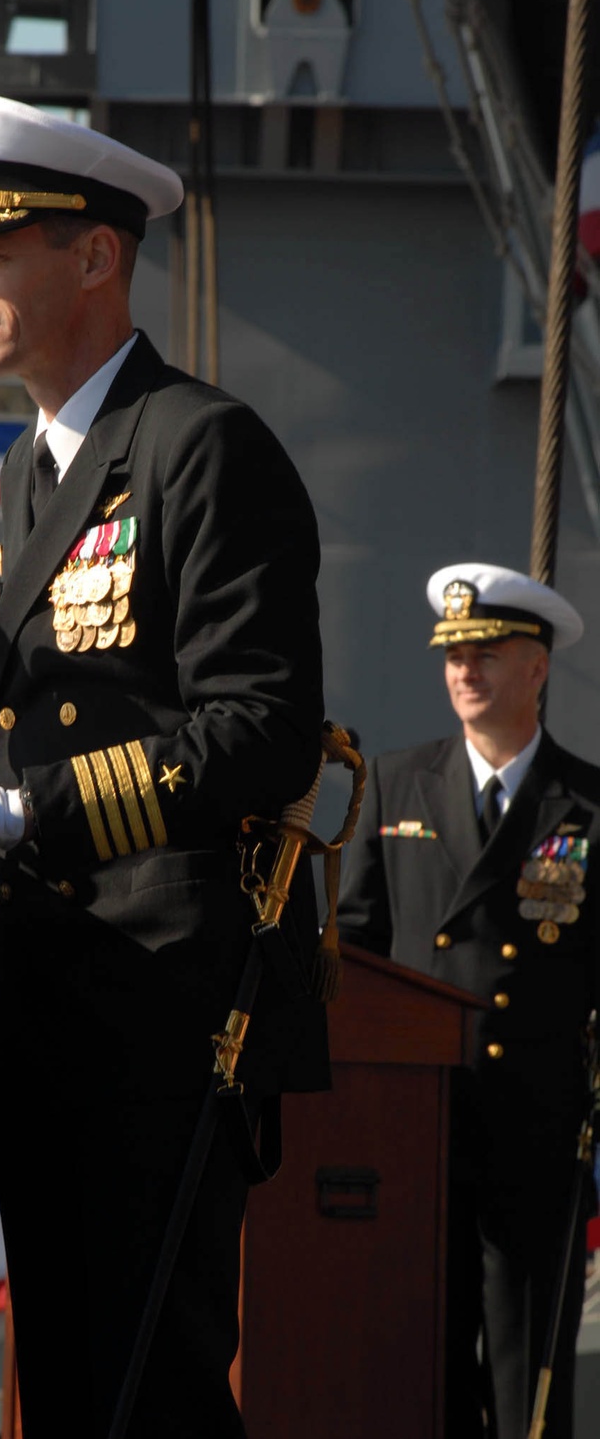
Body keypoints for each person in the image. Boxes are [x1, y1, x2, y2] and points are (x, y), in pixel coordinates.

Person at [0, 91, 329, 1437]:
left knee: (149, 1380)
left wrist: (29, 813)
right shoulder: (44, 463)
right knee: (77, 1380)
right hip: (55, 994)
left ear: (96, 255)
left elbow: (258, 727)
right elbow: (63, 704)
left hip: (170, 1000)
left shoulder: (204, 448)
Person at [338, 562, 600, 1439]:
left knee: (529, 1381)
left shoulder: (591, 807)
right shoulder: (398, 783)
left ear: (538, 667)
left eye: (489, 651)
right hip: (421, 1128)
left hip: (537, 1133)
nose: (466, 670)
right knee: (425, 1370)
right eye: (454, 654)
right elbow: (356, 950)